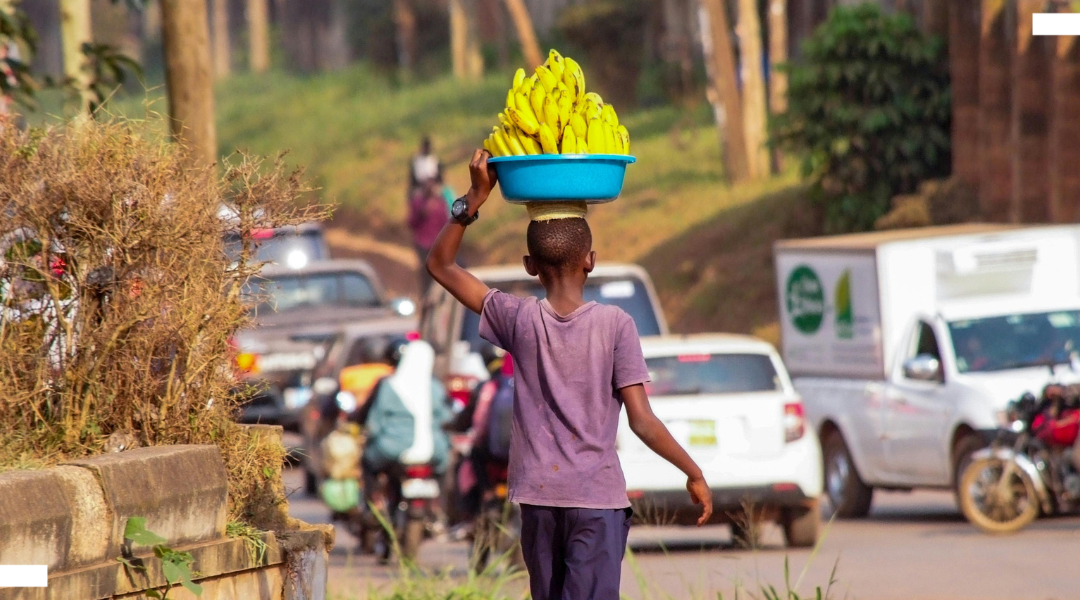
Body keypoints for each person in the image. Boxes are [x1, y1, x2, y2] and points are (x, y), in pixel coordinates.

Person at [426, 150, 712, 600]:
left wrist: (473, 198)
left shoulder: (518, 320)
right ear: (590, 260)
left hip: (539, 499)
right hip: (596, 502)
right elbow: (642, 421)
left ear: (529, 265)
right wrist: (692, 471)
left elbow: (440, 266)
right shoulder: (616, 325)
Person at [407, 179, 449, 297]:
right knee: (426, 271)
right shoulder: (417, 203)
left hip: (437, 244)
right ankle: (426, 296)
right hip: (422, 243)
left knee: (439, 271)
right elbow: (411, 222)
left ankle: (438, 296)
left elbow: (445, 223)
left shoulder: (440, 203)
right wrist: (422, 214)